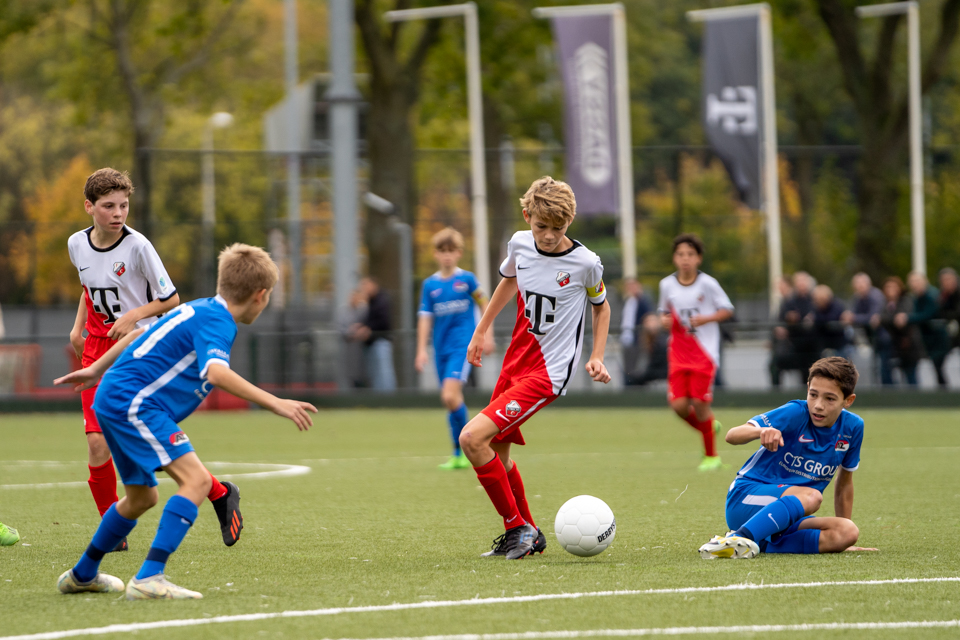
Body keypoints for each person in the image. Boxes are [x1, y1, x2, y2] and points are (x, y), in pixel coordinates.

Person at [54, 243, 317, 599]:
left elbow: (137, 334)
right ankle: (149, 577)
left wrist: (97, 368)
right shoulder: (219, 322)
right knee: (195, 481)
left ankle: (83, 573)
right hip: (137, 405)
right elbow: (216, 372)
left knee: (141, 497)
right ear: (261, 295)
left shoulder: (197, 308)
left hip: (113, 398)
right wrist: (275, 402)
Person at [67, 168, 241, 549]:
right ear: (89, 207)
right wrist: (77, 328)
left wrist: (132, 317)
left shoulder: (139, 246)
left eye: (124, 205)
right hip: (98, 347)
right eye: (109, 206)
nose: (118, 213)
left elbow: (171, 299)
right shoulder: (76, 244)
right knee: (97, 445)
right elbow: (89, 288)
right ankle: (113, 533)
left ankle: (217, 492)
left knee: (145, 442)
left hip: (141, 350)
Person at [459, 176, 611, 560]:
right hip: (515, 362)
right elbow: (509, 282)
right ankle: (530, 536)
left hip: (548, 374)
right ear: (527, 216)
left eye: (557, 229)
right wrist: (481, 330)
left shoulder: (585, 263)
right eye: (541, 226)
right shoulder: (520, 243)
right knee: (497, 451)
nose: (547, 236)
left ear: (569, 223)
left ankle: (516, 528)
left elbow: (602, 307)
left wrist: (597, 356)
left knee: (471, 439)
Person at [698, 357, 876, 559]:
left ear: (848, 400)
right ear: (807, 388)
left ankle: (759, 542)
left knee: (847, 532)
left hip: (782, 517)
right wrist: (762, 431)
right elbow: (732, 435)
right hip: (745, 498)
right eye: (813, 394)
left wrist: (843, 545)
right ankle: (738, 538)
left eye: (830, 399)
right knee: (812, 496)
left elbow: (844, 484)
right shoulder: (796, 412)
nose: (818, 405)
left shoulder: (853, 427)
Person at [415, 227, 494, 470]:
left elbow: (485, 303)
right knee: (452, 400)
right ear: (435, 254)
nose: (447, 255)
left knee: (449, 396)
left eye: (451, 251)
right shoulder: (430, 286)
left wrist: (487, 335)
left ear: (458, 253)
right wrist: (421, 349)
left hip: (463, 346)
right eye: (442, 251)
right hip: (441, 349)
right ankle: (460, 453)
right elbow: (425, 318)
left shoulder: (467, 280)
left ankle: (476, 436)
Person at [658, 233, 734, 472]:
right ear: (674, 258)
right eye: (680, 254)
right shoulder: (666, 285)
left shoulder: (708, 284)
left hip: (704, 353)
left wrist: (707, 318)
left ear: (699, 258)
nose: (685, 259)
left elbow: (727, 309)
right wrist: (665, 321)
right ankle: (709, 427)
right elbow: (663, 313)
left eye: (690, 254)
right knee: (679, 406)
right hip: (678, 354)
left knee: (701, 405)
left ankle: (711, 456)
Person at [770, 272, 817, 387]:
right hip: (793, 346)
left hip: (812, 346)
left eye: (803, 281)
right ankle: (777, 395)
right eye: (798, 282)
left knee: (810, 374)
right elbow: (780, 321)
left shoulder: (815, 299)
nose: (801, 284)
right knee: (774, 364)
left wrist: (813, 318)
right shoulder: (789, 301)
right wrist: (785, 324)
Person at [904, 271, 949, 388]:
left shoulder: (932, 295)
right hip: (928, 340)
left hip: (939, 340)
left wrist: (907, 318)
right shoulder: (915, 298)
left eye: (917, 281)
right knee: (935, 369)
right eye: (913, 282)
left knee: (940, 368)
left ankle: (947, 397)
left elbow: (928, 314)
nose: (915, 284)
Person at [351, 277, 396, 391]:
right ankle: (379, 400)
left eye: (365, 285)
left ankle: (388, 399)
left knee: (384, 373)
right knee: (375, 374)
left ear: (373, 285)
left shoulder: (382, 299)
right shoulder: (369, 302)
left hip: (380, 341)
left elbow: (383, 321)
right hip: (371, 343)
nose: (363, 289)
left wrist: (368, 329)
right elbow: (369, 319)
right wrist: (360, 327)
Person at [880, 276, 922, 386]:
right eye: (888, 287)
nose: (890, 290)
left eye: (893, 287)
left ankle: (916, 400)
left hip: (909, 344)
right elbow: (885, 319)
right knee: (888, 371)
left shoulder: (906, 300)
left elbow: (902, 320)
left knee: (910, 375)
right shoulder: (885, 304)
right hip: (895, 345)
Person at [619, 278, 653, 383]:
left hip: (638, 340)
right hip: (627, 339)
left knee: (636, 368)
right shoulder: (628, 301)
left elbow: (648, 316)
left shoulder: (642, 300)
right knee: (626, 367)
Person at [810, 284, 850, 358]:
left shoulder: (838, 305)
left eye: (818, 300)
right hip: (823, 344)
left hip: (839, 344)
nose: (816, 302)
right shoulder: (815, 307)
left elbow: (830, 319)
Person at [938, 267, 960, 368]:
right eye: (944, 280)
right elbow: (940, 311)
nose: (946, 283)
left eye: (948, 279)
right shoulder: (944, 295)